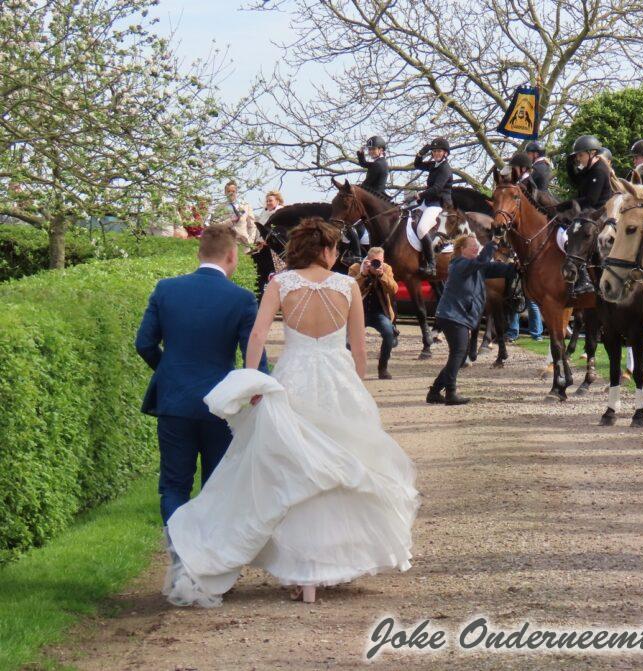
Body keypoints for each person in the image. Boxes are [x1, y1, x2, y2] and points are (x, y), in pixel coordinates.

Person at [163, 217, 419, 607]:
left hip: (294, 379)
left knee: (293, 469)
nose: (336, 255)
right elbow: (359, 348)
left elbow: (258, 335)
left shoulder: (280, 284)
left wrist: (252, 380)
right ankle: (331, 563)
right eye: (335, 248)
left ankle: (302, 571)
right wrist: (358, 386)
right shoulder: (347, 286)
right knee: (339, 469)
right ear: (326, 249)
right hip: (337, 381)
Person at [134, 224, 268, 537]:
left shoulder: (166, 289)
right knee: (216, 484)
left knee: (174, 485)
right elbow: (253, 354)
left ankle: (178, 552)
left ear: (199, 253)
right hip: (220, 404)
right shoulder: (242, 299)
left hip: (174, 401)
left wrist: (169, 371)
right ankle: (210, 555)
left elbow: (144, 344)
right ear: (232, 256)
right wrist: (255, 390)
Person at [427, 235, 515, 405]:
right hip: (451, 316)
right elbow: (482, 260)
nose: (476, 248)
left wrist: (514, 267)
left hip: (457, 317)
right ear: (462, 250)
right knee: (458, 354)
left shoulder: (476, 266)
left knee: (459, 356)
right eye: (472, 246)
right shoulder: (459, 264)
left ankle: (435, 391)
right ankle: (450, 393)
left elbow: (495, 268)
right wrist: (494, 242)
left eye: (477, 246)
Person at [557, 135, 613, 297]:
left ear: (591, 153)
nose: (578, 158)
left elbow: (591, 199)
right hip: (588, 211)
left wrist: (568, 204)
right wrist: (569, 166)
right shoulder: (590, 169)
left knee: (580, 235)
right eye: (577, 156)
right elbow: (577, 182)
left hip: (599, 213)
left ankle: (585, 279)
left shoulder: (600, 170)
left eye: (580, 155)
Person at [349, 246, 399, 380]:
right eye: (374, 261)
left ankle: (383, 368)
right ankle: (350, 369)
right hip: (359, 312)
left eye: (379, 261)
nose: (377, 264)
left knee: (389, 334)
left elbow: (394, 289)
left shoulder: (386, 269)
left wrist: (382, 275)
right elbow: (349, 289)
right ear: (368, 259)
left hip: (379, 312)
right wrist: (363, 274)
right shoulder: (356, 268)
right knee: (348, 340)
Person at [412, 137, 455, 276]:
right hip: (428, 202)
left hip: (439, 204)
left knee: (421, 228)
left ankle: (432, 264)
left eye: (439, 151)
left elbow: (436, 189)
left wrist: (420, 194)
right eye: (434, 151)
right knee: (409, 220)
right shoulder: (434, 165)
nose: (436, 153)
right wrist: (421, 152)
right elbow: (417, 164)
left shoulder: (445, 169)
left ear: (445, 153)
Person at [254, 190, 286, 302]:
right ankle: (260, 300)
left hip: (274, 249)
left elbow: (280, 231)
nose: (268, 203)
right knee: (260, 274)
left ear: (277, 201)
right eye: (267, 201)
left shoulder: (281, 213)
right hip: (261, 248)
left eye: (270, 201)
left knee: (275, 274)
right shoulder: (264, 213)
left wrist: (269, 240)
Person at [209, 180, 258, 247]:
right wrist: (230, 221)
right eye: (228, 191)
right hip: (225, 244)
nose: (231, 193)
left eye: (233, 191)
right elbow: (215, 226)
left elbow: (252, 226)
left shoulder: (245, 206)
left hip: (243, 245)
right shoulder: (220, 208)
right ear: (225, 192)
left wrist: (250, 241)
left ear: (236, 192)